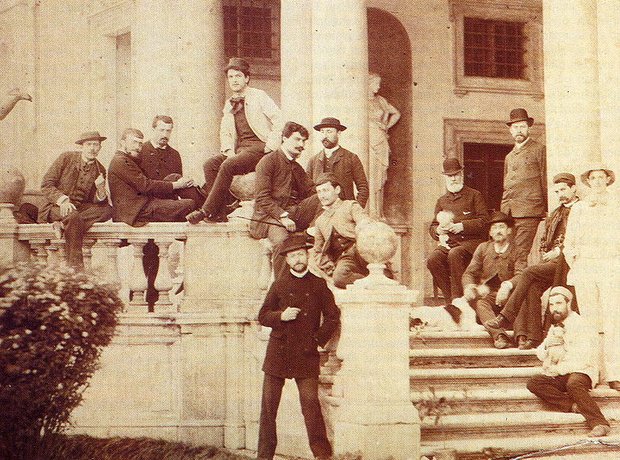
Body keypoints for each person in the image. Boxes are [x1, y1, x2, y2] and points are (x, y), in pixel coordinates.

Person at [257, 233, 340, 460]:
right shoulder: (279, 285)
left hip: (306, 353)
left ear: (307, 255)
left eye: (301, 254)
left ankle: (322, 456)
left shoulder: (319, 285)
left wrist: (318, 339)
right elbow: (262, 315)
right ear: (287, 259)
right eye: (293, 256)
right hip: (278, 353)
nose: (297, 259)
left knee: (311, 407)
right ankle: (264, 457)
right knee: (268, 410)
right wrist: (281, 316)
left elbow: (333, 316)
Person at [484, 173, 580, 349]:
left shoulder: (581, 210)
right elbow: (545, 239)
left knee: (528, 272)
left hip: (572, 262)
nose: (560, 194)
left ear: (574, 188)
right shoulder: (556, 213)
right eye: (557, 190)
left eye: (564, 189)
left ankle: (505, 317)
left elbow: (581, 239)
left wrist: (558, 252)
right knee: (532, 287)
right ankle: (533, 337)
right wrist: (546, 252)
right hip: (553, 264)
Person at [187, 58, 283, 224]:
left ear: (246, 78)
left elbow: (280, 120)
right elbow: (225, 132)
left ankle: (207, 210)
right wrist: (228, 151)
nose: (234, 80)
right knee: (210, 164)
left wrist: (271, 145)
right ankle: (220, 212)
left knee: (228, 165)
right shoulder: (229, 104)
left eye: (238, 76)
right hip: (240, 151)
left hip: (259, 149)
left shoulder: (259, 96)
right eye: (230, 77)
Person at [563, 164, 620, 390]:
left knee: (613, 320)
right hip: (586, 265)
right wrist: (577, 264)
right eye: (593, 177)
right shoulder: (580, 208)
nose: (597, 181)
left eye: (601, 177)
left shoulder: (616, 205)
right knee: (589, 321)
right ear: (588, 181)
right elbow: (570, 242)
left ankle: (614, 372)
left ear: (608, 179)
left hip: (610, 265)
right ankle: (592, 372)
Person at [527, 286, 611, 438]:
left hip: (582, 370)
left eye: (558, 303)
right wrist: (547, 344)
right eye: (551, 305)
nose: (554, 309)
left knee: (574, 383)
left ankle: (600, 423)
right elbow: (540, 354)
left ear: (569, 303)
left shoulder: (581, 324)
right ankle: (572, 406)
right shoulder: (555, 326)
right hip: (562, 372)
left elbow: (582, 358)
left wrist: (557, 370)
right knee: (534, 382)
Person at [249, 122, 322, 280]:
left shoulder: (296, 167)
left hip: (292, 213)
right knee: (284, 243)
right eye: (297, 139)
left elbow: (311, 191)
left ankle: (311, 232)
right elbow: (262, 197)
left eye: (303, 141)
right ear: (284, 138)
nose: (301, 145)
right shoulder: (268, 162)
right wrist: (282, 216)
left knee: (323, 196)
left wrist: (329, 189)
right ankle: (282, 291)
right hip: (268, 217)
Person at [38, 131, 113, 269]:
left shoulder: (100, 169)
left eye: (95, 145)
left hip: (78, 209)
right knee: (73, 217)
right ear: (81, 146)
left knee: (108, 210)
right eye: (88, 144)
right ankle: (76, 267)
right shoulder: (66, 158)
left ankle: (62, 224)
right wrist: (63, 200)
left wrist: (101, 190)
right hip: (54, 207)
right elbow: (46, 184)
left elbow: (94, 201)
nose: (92, 148)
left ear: (100, 147)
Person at [426, 158, 488, 306]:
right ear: (445, 177)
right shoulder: (442, 201)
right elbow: (433, 226)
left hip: (470, 244)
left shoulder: (474, 195)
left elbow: (485, 221)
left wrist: (463, 226)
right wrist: (438, 230)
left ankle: (459, 299)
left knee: (455, 254)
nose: (453, 178)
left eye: (456, 174)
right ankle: (450, 301)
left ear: (462, 174)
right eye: (449, 176)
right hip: (449, 243)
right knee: (433, 259)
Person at [462, 211, 526, 349]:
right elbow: (469, 273)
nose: (498, 231)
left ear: (509, 230)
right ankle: (499, 336)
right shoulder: (483, 248)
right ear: (490, 233)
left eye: (501, 227)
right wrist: (469, 287)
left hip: (510, 295)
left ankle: (522, 336)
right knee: (480, 303)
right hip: (489, 295)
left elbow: (521, 274)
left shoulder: (518, 250)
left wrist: (508, 285)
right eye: (494, 228)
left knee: (522, 300)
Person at [108, 128, 195, 226]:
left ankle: (205, 207)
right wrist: (177, 185)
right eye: (134, 143)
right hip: (137, 211)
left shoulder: (127, 158)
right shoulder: (120, 161)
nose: (138, 147)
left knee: (174, 177)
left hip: (142, 204)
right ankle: (206, 209)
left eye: (140, 144)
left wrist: (178, 183)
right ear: (123, 143)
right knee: (190, 204)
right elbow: (145, 186)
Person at [501, 108, 547, 268]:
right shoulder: (509, 156)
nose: (519, 130)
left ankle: (516, 292)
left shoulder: (539, 150)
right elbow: (507, 186)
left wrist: (546, 208)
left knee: (520, 254)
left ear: (528, 128)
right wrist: (503, 212)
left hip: (529, 211)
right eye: (515, 127)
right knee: (508, 254)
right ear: (510, 130)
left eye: (522, 126)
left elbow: (544, 179)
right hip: (509, 214)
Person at [313, 172, 373, 288]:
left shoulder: (350, 206)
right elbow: (318, 251)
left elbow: (364, 221)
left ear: (337, 190)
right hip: (344, 258)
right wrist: (327, 265)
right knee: (339, 277)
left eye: (325, 190)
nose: (322, 196)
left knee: (385, 273)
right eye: (319, 192)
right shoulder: (320, 221)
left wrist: (363, 226)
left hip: (361, 250)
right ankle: (371, 283)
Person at [138, 114, 204, 207]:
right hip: (149, 202)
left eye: (168, 131)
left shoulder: (174, 154)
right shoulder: (141, 151)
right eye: (161, 130)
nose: (165, 135)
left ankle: (209, 208)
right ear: (153, 130)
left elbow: (179, 185)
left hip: (169, 201)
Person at [306, 117, 369, 208]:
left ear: (338, 133)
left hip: (344, 212)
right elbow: (307, 189)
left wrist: (354, 210)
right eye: (322, 132)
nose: (325, 136)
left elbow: (363, 188)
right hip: (319, 213)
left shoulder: (351, 158)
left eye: (329, 131)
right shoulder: (313, 160)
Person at [368, 73, 400, 217]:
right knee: (369, 173)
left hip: (380, 138)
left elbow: (396, 113)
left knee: (379, 175)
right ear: (368, 83)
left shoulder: (381, 100)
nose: (379, 86)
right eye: (376, 83)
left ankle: (377, 211)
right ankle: (370, 210)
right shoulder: (361, 99)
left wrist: (386, 126)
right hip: (368, 140)